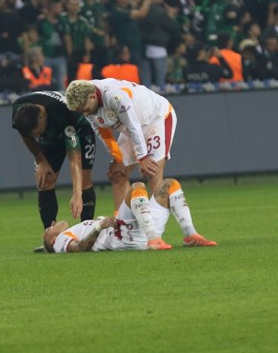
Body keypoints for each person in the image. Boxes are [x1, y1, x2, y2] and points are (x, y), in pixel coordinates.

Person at [65, 78, 215, 248]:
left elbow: (133, 124)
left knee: (152, 174)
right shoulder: (87, 104)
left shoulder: (115, 96)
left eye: (85, 109)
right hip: (131, 130)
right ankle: (121, 229)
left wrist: (143, 157)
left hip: (156, 118)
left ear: (92, 97)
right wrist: (117, 157)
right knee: (117, 174)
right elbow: (102, 132)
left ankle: (162, 235)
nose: (85, 114)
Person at [41, 178, 215, 252]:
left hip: (136, 230)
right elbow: (79, 248)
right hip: (124, 237)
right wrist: (99, 226)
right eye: (48, 229)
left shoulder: (74, 230)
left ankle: (190, 235)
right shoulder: (61, 240)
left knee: (170, 184)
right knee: (137, 187)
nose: (52, 224)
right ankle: (154, 238)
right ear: (52, 240)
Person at [11, 90, 96, 227]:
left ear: (42, 117)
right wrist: (41, 161)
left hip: (80, 131)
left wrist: (77, 194)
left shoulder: (64, 112)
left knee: (84, 178)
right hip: (52, 136)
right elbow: (25, 134)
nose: (37, 137)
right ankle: (50, 233)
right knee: (45, 180)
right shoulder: (18, 109)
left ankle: (87, 231)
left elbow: (75, 158)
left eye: (38, 133)